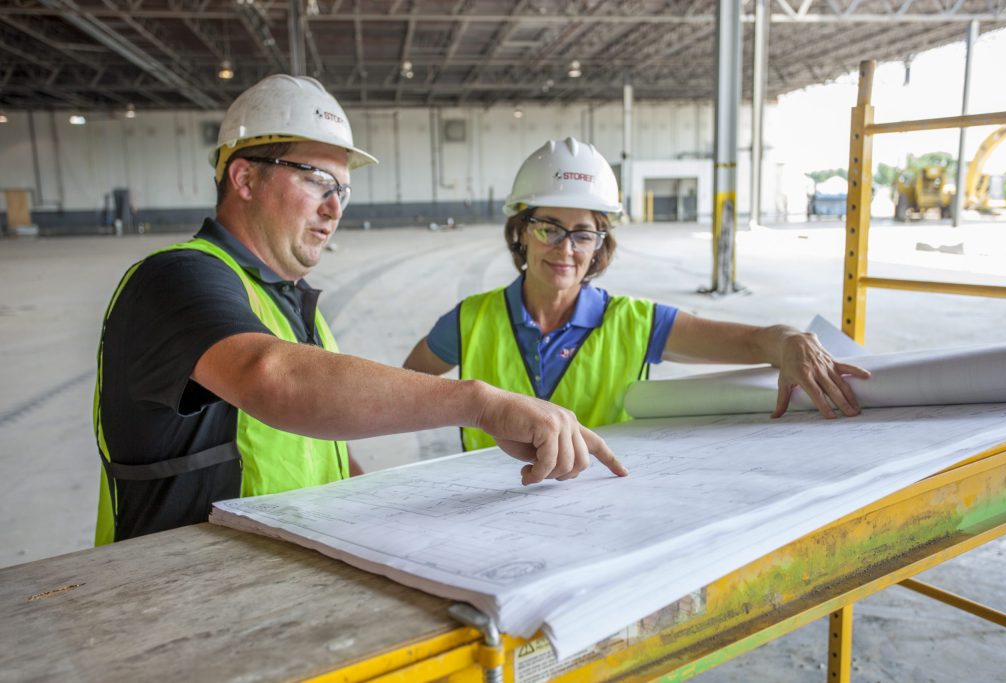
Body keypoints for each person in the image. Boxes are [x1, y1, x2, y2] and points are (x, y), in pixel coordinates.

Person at [93, 78, 626, 546]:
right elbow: (270, 377)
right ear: (244, 178)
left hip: (267, 583)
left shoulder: (290, 302)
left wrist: (367, 497)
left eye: (342, 191)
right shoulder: (176, 279)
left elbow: (310, 444)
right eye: (315, 180)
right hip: (175, 600)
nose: (334, 208)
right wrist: (480, 403)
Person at [403, 137, 871, 451]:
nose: (565, 248)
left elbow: (750, 342)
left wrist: (789, 339)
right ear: (520, 232)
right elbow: (406, 389)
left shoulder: (636, 323)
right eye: (548, 228)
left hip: (601, 514)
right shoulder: (470, 320)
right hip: (482, 518)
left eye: (583, 234)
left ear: (599, 245)